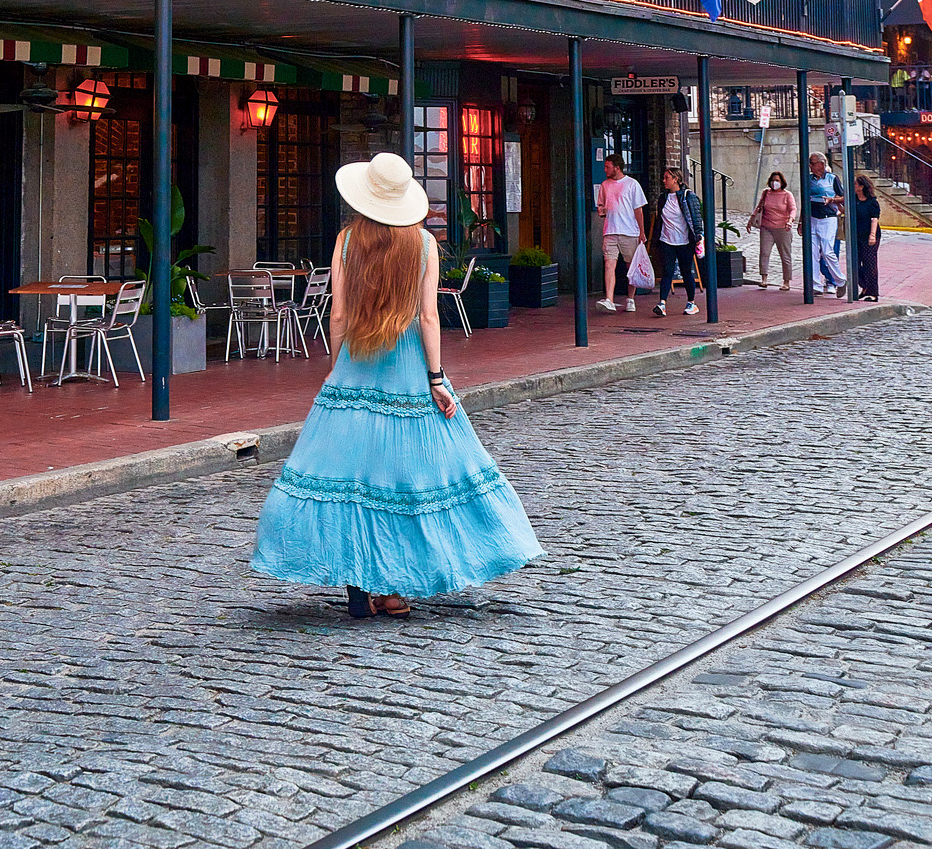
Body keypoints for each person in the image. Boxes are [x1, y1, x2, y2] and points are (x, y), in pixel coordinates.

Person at [251, 150, 544, 619]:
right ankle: (392, 590)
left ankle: (359, 581)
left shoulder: (347, 241)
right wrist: (436, 378)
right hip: (408, 368)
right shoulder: (424, 244)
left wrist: (334, 365)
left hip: (356, 365)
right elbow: (429, 316)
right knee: (408, 475)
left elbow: (339, 312)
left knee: (349, 476)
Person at [594, 154, 648, 314]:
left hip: (629, 231)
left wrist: (641, 231)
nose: (605, 170)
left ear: (616, 168)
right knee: (609, 264)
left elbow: (638, 210)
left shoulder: (632, 184)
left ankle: (630, 298)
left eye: (607, 167)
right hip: (610, 230)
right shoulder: (604, 185)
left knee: (630, 266)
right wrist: (601, 211)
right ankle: (609, 299)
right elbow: (601, 207)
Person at [649, 165, 701, 318]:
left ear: (676, 179)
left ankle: (692, 302)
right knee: (667, 272)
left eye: (667, 178)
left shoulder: (688, 196)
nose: (664, 180)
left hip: (684, 241)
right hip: (667, 241)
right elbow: (660, 219)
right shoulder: (663, 198)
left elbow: (696, 218)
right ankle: (662, 303)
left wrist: (699, 236)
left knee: (686, 272)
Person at [747, 169, 797, 291]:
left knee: (785, 255)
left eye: (777, 181)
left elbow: (793, 209)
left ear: (782, 182)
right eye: (773, 180)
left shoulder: (787, 195)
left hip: (782, 229)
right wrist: (751, 220)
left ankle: (786, 281)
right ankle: (764, 279)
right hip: (766, 227)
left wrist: (790, 220)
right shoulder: (766, 193)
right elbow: (759, 207)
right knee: (764, 253)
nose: (775, 183)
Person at [808, 155, 846, 296]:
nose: (810, 166)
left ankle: (840, 280)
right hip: (812, 217)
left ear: (821, 164)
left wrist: (832, 200)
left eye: (813, 163)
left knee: (827, 251)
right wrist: (801, 221)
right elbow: (804, 199)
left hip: (828, 218)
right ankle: (816, 284)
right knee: (812, 253)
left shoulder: (832, 178)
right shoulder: (809, 179)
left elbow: (844, 196)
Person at [853, 174, 881, 301]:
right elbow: (845, 208)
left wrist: (872, 235)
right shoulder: (854, 200)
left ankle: (873, 292)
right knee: (856, 263)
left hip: (869, 235)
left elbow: (874, 219)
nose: (854, 187)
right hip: (857, 235)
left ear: (862, 186)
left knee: (870, 263)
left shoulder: (872, 202)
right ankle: (864, 286)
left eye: (855, 185)